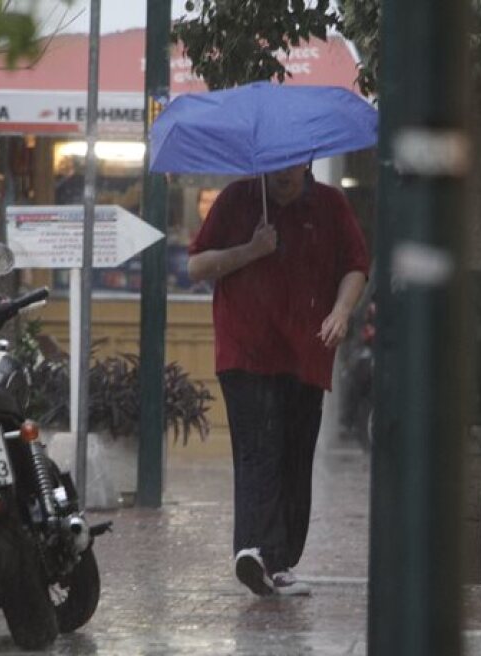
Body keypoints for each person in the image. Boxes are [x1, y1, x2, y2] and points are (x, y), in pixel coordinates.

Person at [187, 163, 369, 596]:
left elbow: (356, 265)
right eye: (274, 167)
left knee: (294, 453)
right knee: (258, 448)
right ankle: (253, 550)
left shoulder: (330, 204)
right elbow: (197, 266)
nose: (282, 176)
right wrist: (251, 250)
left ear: (305, 163)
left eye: (290, 167)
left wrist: (342, 311)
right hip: (245, 349)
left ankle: (281, 560)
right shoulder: (236, 198)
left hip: (306, 351)